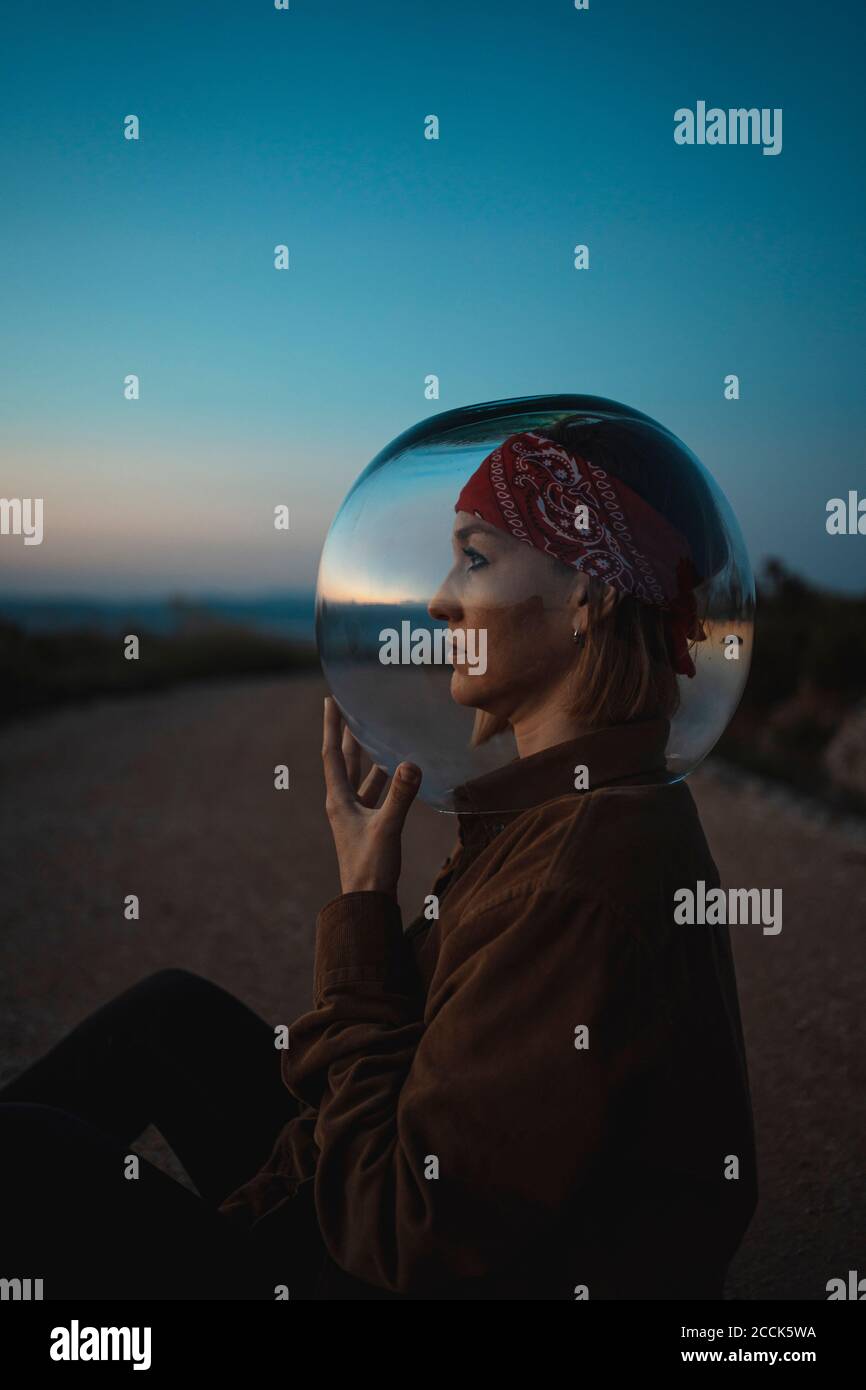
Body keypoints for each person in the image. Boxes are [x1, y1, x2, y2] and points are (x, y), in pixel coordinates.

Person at [0, 419, 758, 1300]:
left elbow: (405, 1233)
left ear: (587, 594)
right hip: (387, 1208)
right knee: (166, 1017)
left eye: (473, 559)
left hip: (381, 1266)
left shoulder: (583, 867)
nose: (439, 601)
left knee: (29, 1155)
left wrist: (364, 903)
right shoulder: (585, 803)